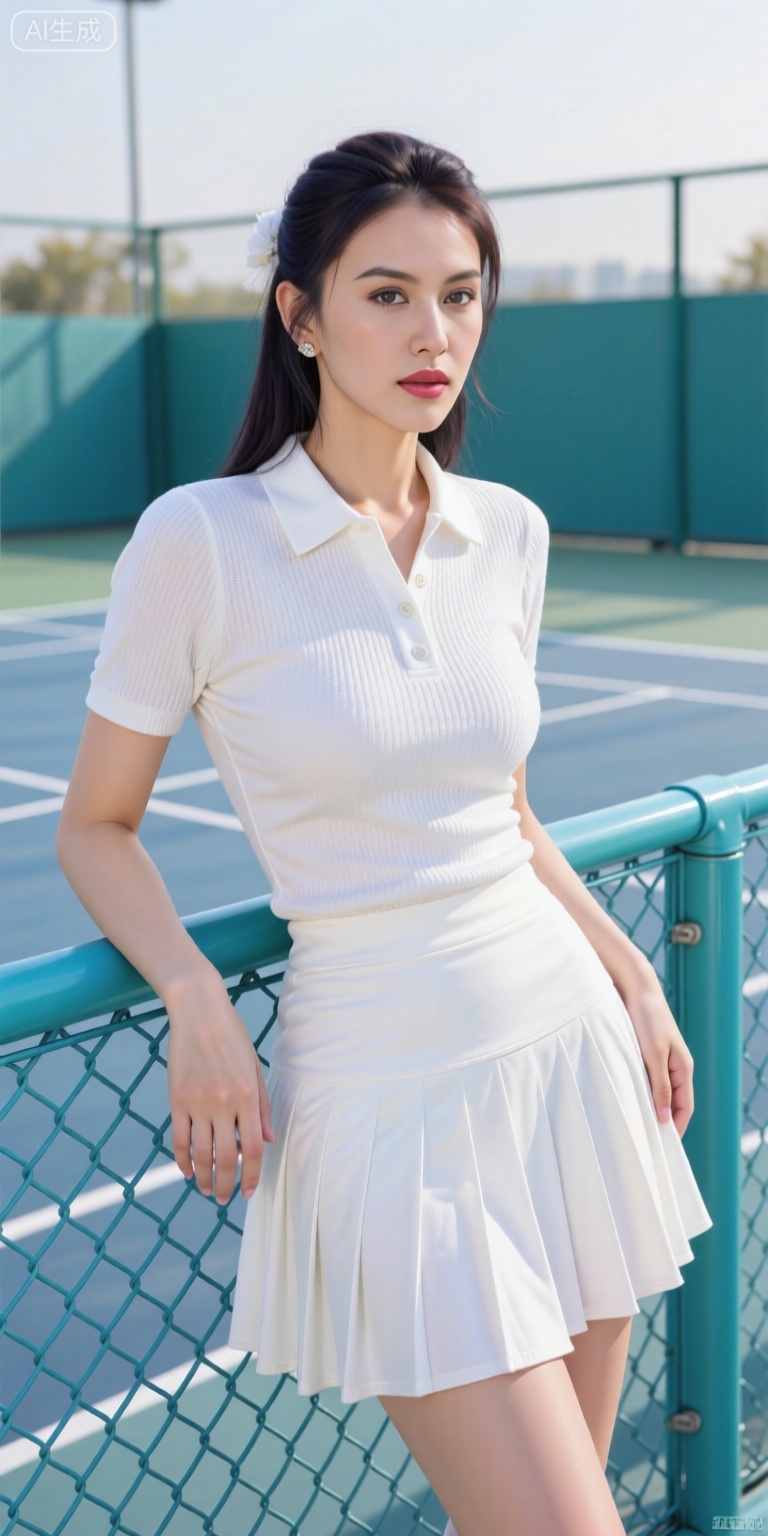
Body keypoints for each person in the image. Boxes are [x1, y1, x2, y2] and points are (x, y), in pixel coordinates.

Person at [56, 130, 713, 1536]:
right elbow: (98, 827)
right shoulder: (202, 540)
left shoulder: (510, 534)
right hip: (387, 1100)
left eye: (463, 293)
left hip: (568, 1063)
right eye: (387, 293)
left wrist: (632, 971)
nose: (435, 333)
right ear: (299, 313)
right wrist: (191, 995)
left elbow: (509, 812)